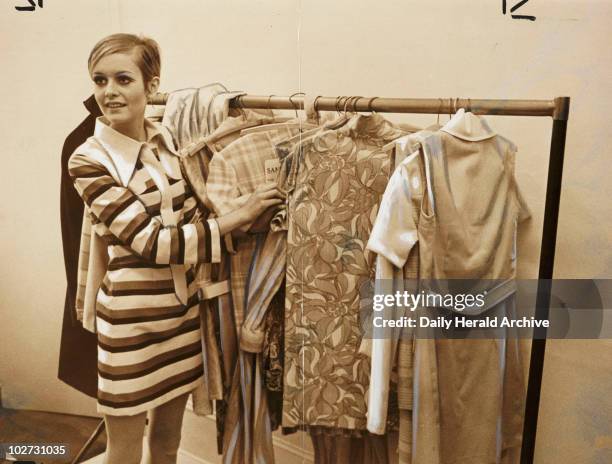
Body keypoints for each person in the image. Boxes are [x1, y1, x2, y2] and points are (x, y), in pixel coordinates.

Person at [68, 33, 283, 464]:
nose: (109, 92)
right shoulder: (87, 160)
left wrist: (239, 212)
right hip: (130, 328)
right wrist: (236, 217)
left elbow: (191, 221)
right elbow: (152, 242)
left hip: (182, 320)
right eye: (100, 80)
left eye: (123, 79)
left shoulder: (167, 143)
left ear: (151, 86)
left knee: (167, 442)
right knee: (124, 450)